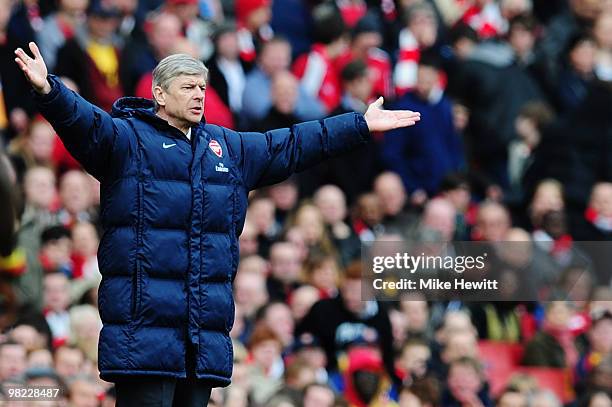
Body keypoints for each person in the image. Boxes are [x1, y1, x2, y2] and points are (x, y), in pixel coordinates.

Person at [14, 41, 420, 407]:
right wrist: (48, 89)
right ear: (159, 93)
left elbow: (293, 143)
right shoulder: (126, 141)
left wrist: (359, 125)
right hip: (144, 339)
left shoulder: (229, 148)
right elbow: (84, 122)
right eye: (188, 87)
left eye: (203, 88)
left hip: (201, 340)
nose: (198, 96)